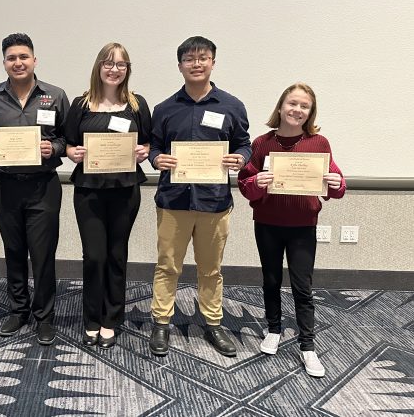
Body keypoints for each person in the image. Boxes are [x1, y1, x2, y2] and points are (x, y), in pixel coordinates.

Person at [148, 36, 251, 357]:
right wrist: (155, 159)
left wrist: (241, 158)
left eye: (202, 58)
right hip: (173, 201)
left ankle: (213, 323)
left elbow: (244, 144)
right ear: (180, 66)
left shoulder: (232, 106)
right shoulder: (164, 109)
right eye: (189, 59)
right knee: (167, 266)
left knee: (211, 269)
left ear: (212, 63)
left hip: (214, 202)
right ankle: (161, 323)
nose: (196, 63)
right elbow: (153, 146)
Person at [238, 83, 345, 377]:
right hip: (268, 224)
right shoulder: (261, 143)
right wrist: (255, 184)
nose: (297, 110)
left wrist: (338, 185)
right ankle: (273, 329)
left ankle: (307, 346)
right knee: (270, 280)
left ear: (310, 112)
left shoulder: (319, 143)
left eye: (304, 106)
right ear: (281, 107)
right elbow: (245, 184)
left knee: (302, 288)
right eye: (292, 104)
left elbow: (334, 184)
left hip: (302, 227)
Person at [0, 33, 70, 345]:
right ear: (4, 62)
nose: (17, 62)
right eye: (11, 58)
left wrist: (53, 147)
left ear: (34, 60)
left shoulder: (55, 95)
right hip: (6, 187)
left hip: (43, 186)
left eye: (23, 57)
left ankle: (44, 316)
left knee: (43, 254)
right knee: (13, 251)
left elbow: (68, 139)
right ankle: (18, 310)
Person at [63, 43, 151, 349]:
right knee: (94, 256)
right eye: (109, 63)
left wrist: (145, 151)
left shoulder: (137, 105)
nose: (115, 69)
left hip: (125, 190)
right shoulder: (81, 104)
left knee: (117, 254)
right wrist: (72, 151)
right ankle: (91, 318)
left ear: (128, 70)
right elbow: (67, 143)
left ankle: (111, 319)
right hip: (88, 190)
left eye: (121, 64)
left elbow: (149, 143)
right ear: (98, 67)